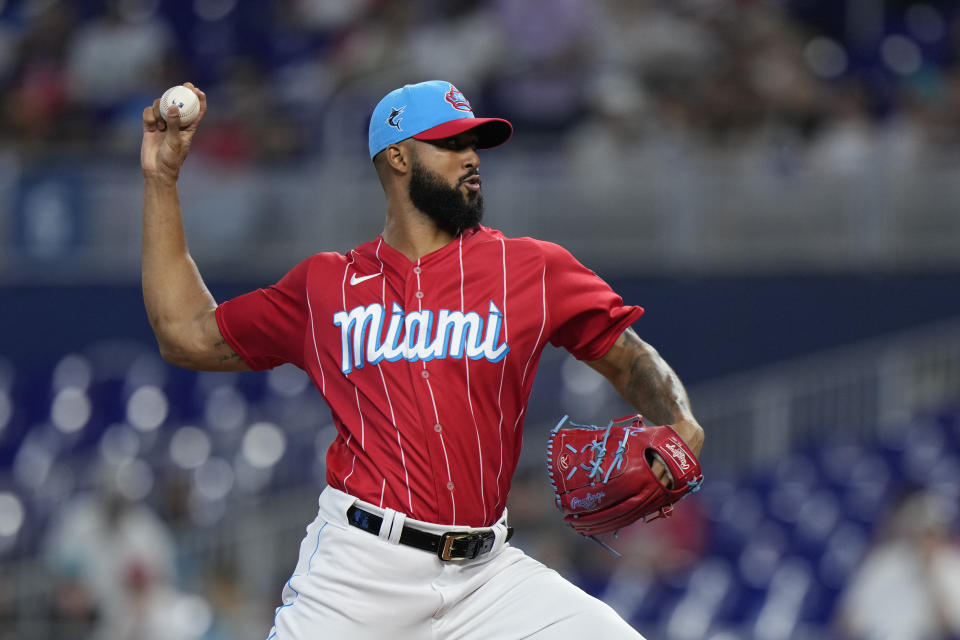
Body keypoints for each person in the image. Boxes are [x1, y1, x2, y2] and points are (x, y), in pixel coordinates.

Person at [140, 79, 705, 639]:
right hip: (361, 570)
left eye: (474, 144)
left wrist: (680, 422)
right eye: (451, 143)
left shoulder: (531, 268)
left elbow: (629, 358)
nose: (470, 158)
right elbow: (185, 335)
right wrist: (161, 179)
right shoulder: (326, 286)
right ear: (398, 156)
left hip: (487, 577)